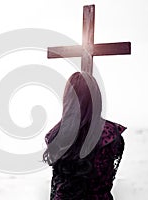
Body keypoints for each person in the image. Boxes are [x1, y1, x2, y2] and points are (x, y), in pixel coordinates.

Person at [43, 71, 127, 200]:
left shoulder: (56, 135)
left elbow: (57, 184)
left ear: (67, 99)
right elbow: (107, 178)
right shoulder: (110, 136)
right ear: (96, 98)